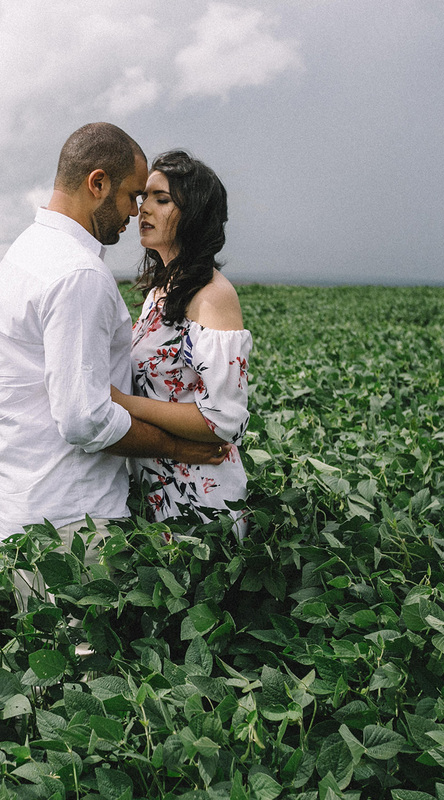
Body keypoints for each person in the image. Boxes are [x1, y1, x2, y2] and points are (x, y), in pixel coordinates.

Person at [0, 124, 227, 602]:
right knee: (88, 667)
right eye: (133, 196)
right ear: (97, 184)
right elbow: (85, 419)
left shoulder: (24, 253)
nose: (136, 213)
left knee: (48, 663)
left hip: (19, 509)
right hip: (71, 524)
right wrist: (177, 447)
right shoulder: (78, 274)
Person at [110, 150, 252, 538]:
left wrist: (122, 403)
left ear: (195, 214)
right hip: (155, 487)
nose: (144, 210)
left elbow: (222, 420)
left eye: (162, 199)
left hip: (201, 501)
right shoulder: (160, 289)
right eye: (143, 199)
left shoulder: (212, 297)